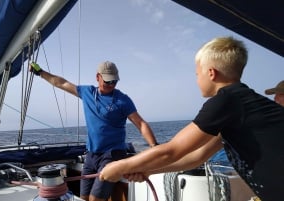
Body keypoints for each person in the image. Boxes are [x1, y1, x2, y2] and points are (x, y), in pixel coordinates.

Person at [99, 37, 284, 201]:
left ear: (211, 73)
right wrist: (147, 171)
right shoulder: (239, 106)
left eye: (197, 74)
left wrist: (120, 166)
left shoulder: (227, 99)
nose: (196, 80)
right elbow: (195, 157)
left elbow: (171, 151)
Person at [30, 61, 158, 201]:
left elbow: (140, 123)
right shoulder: (87, 93)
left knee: (95, 199)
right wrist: (40, 72)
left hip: (112, 155)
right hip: (91, 155)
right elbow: (61, 83)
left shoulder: (123, 100)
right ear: (98, 77)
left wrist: (154, 147)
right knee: (83, 198)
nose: (112, 85)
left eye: (115, 81)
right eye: (108, 81)